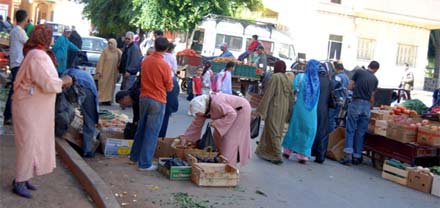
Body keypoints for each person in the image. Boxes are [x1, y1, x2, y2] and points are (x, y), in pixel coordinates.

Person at [11, 24, 73, 198]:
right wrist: (65, 81)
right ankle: (19, 181)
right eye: (50, 35)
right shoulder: (37, 56)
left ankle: (23, 177)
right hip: (28, 108)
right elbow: (47, 83)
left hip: (32, 108)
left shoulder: (36, 54)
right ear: (44, 38)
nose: (53, 39)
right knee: (28, 144)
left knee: (32, 143)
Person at [129, 37, 173, 171]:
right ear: (166, 49)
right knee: (152, 132)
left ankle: (134, 157)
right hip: (158, 99)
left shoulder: (146, 60)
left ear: (154, 45)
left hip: (144, 97)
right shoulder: (165, 65)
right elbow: (169, 86)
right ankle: (145, 163)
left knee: (141, 128)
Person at [182, 93, 252, 167]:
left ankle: (229, 167)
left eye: (198, 113)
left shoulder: (216, 103)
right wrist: (187, 139)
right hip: (230, 113)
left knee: (229, 140)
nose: (198, 115)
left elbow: (232, 114)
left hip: (241, 111)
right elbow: (196, 124)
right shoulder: (203, 107)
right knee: (217, 136)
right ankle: (220, 160)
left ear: (203, 108)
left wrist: (217, 123)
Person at [340, 61, 379, 166]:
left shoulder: (359, 72)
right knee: (361, 132)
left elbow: (350, 86)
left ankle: (348, 156)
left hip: (356, 103)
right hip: (366, 106)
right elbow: (372, 96)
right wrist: (371, 107)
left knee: (350, 129)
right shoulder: (375, 79)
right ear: (376, 70)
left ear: (369, 66)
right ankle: (357, 156)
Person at [282, 59, 321, 164]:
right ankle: (302, 155)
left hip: (299, 108)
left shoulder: (300, 77)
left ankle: (287, 151)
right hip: (311, 111)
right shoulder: (317, 81)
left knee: (294, 128)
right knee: (308, 131)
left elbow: (293, 88)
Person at [255, 60, 293, 164]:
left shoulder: (275, 77)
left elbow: (269, 94)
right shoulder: (288, 79)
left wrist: (261, 110)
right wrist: (289, 111)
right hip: (284, 109)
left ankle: (277, 155)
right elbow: (291, 98)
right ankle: (262, 150)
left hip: (274, 108)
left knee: (273, 130)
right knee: (274, 130)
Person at [63, 67, 99, 158]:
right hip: (86, 89)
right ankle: (87, 150)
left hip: (72, 85)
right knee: (89, 120)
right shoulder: (86, 76)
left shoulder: (67, 72)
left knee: (66, 111)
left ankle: (62, 133)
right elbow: (92, 109)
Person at [3, 10, 28, 125]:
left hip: (15, 63)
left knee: (16, 89)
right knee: (16, 89)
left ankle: (10, 114)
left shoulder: (15, 31)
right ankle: (9, 114)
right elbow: (29, 44)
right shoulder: (19, 31)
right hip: (18, 63)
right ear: (24, 19)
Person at [311, 64, 333, 164]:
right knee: (322, 133)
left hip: (312, 108)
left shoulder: (313, 80)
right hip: (324, 110)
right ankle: (320, 156)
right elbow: (331, 98)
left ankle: (306, 152)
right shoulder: (329, 82)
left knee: (311, 130)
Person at [159, 42, 180, 138]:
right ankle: (161, 137)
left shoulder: (160, 56)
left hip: (159, 84)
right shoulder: (171, 57)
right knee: (166, 113)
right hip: (169, 83)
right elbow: (175, 70)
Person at [95, 38, 122, 105]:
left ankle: (108, 100)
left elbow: (122, 60)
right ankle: (101, 99)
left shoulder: (118, 52)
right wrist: (99, 71)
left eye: (111, 43)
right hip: (104, 72)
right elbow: (101, 62)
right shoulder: (105, 51)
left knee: (111, 87)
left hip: (113, 73)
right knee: (103, 86)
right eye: (109, 43)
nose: (110, 45)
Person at [328, 63, 349, 132]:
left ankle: (331, 135)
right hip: (343, 100)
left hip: (336, 100)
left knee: (331, 119)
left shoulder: (338, 77)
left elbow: (332, 86)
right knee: (337, 118)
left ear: (336, 69)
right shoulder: (346, 77)